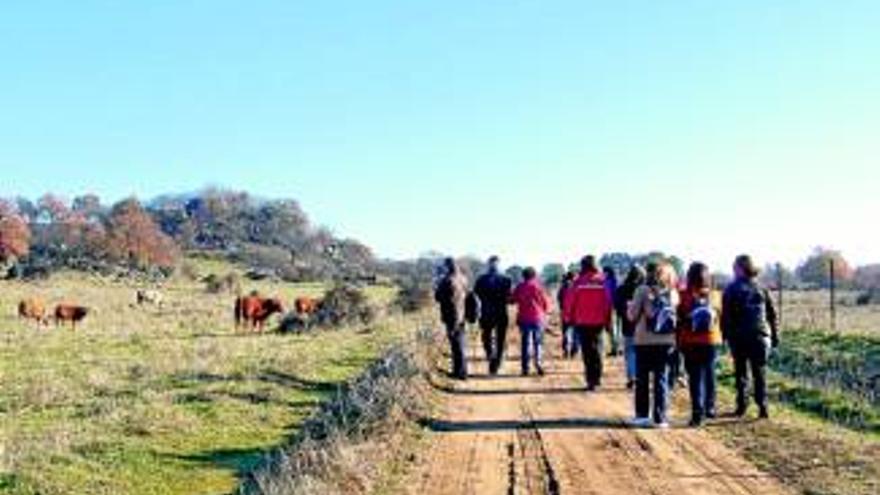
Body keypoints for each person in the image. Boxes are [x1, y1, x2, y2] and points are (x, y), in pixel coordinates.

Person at [722, 254, 780, 419]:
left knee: (741, 371)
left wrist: (725, 335)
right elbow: (772, 314)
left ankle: (742, 405)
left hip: (739, 336)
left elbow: (726, 316)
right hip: (760, 335)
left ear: (739, 269)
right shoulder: (761, 288)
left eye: (734, 267)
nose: (733, 270)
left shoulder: (731, 289)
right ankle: (763, 406)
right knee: (759, 372)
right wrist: (775, 335)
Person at [628, 262, 680, 428]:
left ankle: (642, 415)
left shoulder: (642, 290)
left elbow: (632, 315)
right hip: (666, 341)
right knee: (661, 379)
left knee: (642, 379)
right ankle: (660, 418)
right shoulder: (673, 293)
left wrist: (629, 308)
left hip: (644, 341)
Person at [677, 262, 723, 427]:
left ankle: (697, 414)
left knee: (695, 378)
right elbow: (720, 317)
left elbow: (679, 318)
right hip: (711, 340)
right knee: (710, 374)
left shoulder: (683, 295)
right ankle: (710, 408)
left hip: (690, 341)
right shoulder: (715, 295)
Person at [564, 255, 613, 391]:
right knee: (598, 349)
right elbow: (608, 303)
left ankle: (590, 380)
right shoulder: (603, 281)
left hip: (582, 321)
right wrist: (608, 319)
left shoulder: (578, 282)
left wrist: (568, 318)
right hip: (599, 321)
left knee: (587, 351)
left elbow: (569, 302)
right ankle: (597, 379)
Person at [473, 256, 513, 375]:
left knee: (486, 337)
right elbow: (510, 298)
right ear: (499, 264)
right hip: (500, 313)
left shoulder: (481, 279)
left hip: (486, 313)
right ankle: (496, 362)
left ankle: (491, 357)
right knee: (500, 339)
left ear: (488, 264)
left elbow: (475, 296)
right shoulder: (507, 280)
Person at [511, 267, 551, 376]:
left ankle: (525, 368)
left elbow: (513, 300)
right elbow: (545, 303)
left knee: (526, 343)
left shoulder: (520, 287)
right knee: (538, 342)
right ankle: (538, 363)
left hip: (524, 318)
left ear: (523, 276)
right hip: (538, 318)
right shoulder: (538, 286)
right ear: (534, 275)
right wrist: (546, 313)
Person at [434, 257, 470, 380]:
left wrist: (437, 284)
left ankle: (460, 372)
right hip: (462, 314)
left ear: (447, 267)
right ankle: (461, 370)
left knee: (456, 345)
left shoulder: (447, 280)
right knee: (460, 343)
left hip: (451, 315)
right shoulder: (463, 279)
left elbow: (438, 297)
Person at [614, 265, 646, 389]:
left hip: (628, 326)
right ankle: (640, 376)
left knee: (630, 352)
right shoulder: (645, 289)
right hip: (644, 327)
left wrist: (623, 313)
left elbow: (616, 305)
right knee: (641, 353)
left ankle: (631, 376)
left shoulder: (621, 289)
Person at [557, 271, 579, 359]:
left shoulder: (563, 287)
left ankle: (566, 350)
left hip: (565, 312)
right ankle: (574, 351)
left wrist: (562, 307)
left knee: (566, 332)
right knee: (575, 333)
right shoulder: (577, 286)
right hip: (576, 313)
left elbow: (559, 298)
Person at [603, 266, 621, 356]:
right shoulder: (617, 280)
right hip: (617, 308)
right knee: (617, 329)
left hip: (610, 308)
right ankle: (618, 348)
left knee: (612, 329)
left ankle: (615, 349)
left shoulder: (608, 282)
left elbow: (607, 296)